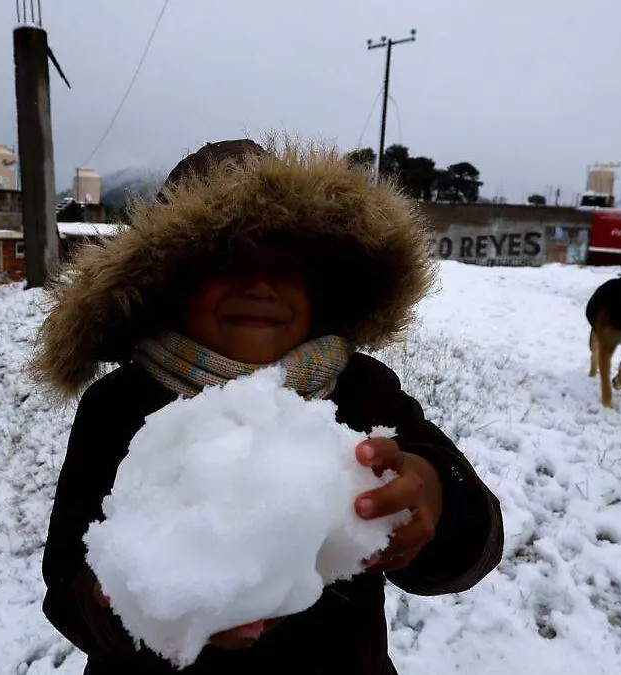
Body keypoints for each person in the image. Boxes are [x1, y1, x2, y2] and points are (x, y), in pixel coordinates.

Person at [35, 139, 503, 674]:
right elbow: (66, 580)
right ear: (170, 281)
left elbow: (474, 542)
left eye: (286, 265)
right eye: (228, 260)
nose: (260, 284)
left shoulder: (361, 391)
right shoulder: (119, 405)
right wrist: (125, 604)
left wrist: (435, 497)